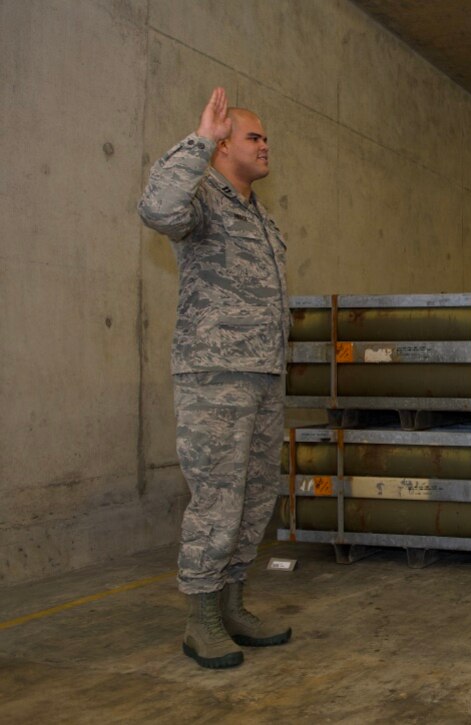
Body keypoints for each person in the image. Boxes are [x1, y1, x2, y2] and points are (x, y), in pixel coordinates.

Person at [138, 87, 292, 669]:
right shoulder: (202, 201)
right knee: (219, 497)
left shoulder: (261, 218)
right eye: (254, 136)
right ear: (225, 146)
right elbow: (157, 208)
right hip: (216, 375)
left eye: (265, 137)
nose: (265, 145)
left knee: (255, 497)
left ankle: (232, 603)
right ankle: (200, 619)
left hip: (262, 375)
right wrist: (200, 139)